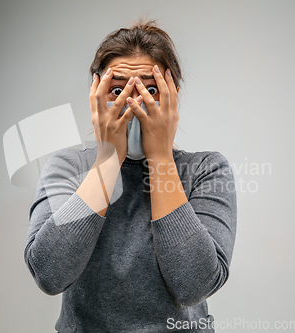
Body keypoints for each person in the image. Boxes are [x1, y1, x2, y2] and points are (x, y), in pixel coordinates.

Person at [24, 18, 237, 333]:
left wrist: (161, 158)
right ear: (96, 96)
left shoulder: (206, 169)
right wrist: (108, 160)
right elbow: (49, 274)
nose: (134, 103)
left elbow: (195, 284)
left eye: (151, 90)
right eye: (117, 90)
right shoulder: (68, 167)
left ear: (173, 98)